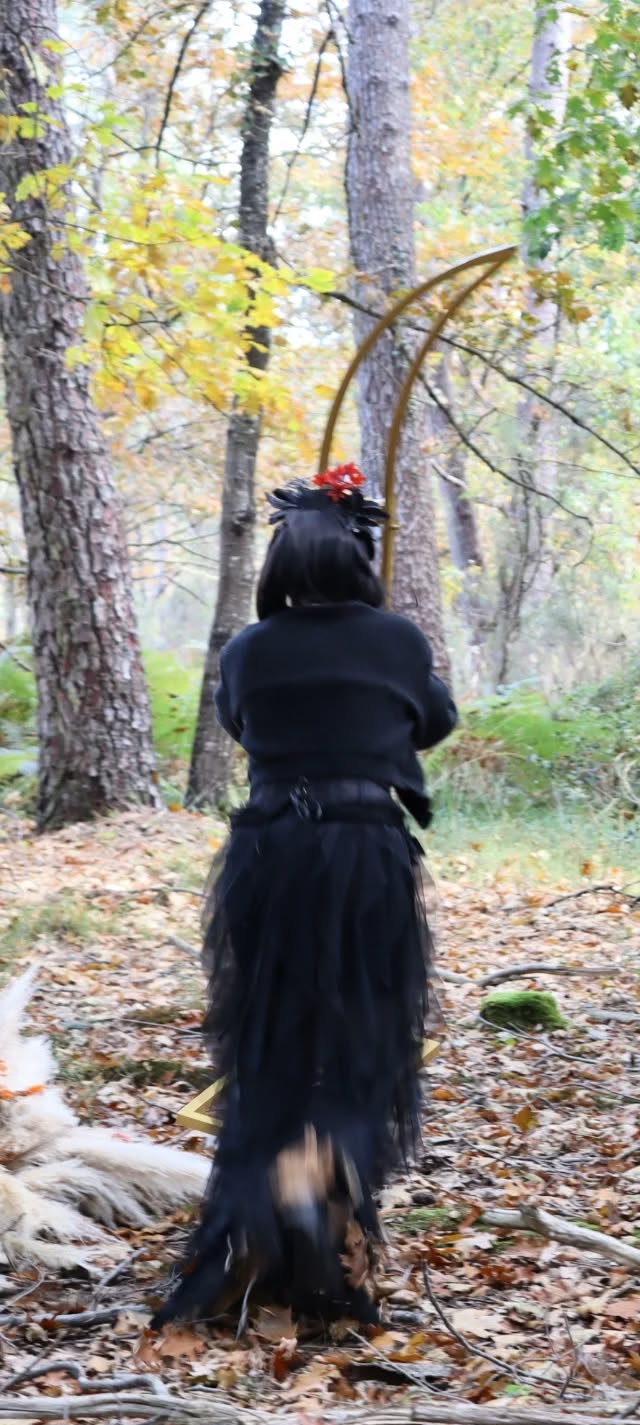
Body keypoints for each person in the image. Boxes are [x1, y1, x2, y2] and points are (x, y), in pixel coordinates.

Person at [156, 463, 456, 1325]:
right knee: (366, 1031)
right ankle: (318, 1177)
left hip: (269, 854)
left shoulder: (249, 650)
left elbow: (240, 724)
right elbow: (434, 721)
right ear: (358, 556)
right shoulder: (395, 641)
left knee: (272, 1038)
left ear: (282, 561)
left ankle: (262, 1237)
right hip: (362, 853)